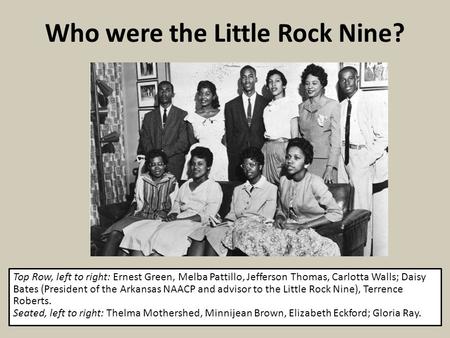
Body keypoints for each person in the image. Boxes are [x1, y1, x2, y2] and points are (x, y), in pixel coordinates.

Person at [223, 138, 342, 256]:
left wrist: (304, 225)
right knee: (249, 233)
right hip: (288, 228)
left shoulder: (315, 183)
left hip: (308, 229)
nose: (290, 161)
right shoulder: (284, 180)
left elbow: (336, 213)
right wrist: (280, 217)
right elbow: (281, 208)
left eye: (296, 158)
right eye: (288, 157)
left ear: (307, 163)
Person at [120, 147, 223, 256]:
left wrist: (182, 220)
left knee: (162, 240)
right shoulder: (186, 185)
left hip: (196, 224)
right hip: (178, 221)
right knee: (141, 234)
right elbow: (176, 204)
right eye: (193, 163)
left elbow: (208, 215)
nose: (195, 167)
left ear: (208, 167)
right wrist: (173, 214)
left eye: (200, 164)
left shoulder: (214, 187)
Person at [188, 147, 277, 256]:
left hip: (253, 230)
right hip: (233, 227)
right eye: (245, 165)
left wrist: (239, 223)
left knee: (215, 234)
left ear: (261, 166)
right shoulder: (238, 189)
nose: (248, 169)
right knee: (203, 232)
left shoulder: (271, 189)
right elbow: (232, 215)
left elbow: (266, 218)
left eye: (252, 165)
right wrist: (220, 221)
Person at [337, 66, 388, 256]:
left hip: (361, 159)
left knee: (361, 211)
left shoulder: (369, 101)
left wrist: (366, 159)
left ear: (357, 79)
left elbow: (384, 136)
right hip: (344, 158)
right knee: (343, 209)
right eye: (343, 79)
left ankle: (364, 257)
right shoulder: (341, 106)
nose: (347, 83)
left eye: (351, 78)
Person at [100, 149, 178, 256]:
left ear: (165, 165)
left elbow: (175, 205)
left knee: (128, 238)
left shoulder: (172, 181)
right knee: (114, 234)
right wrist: (127, 215)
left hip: (157, 220)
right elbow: (136, 200)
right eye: (153, 165)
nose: (157, 168)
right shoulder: (142, 179)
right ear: (149, 167)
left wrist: (169, 215)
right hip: (141, 215)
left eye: (160, 164)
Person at [292, 64, 340, 183]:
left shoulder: (332, 105)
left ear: (322, 84)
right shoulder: (301, 107)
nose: (310, 87)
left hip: (325, 163)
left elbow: (336, 141)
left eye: (314, 83)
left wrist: (330, 168)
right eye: (307, 83)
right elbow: (299, 138)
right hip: (305, 163)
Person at [137, 81, 191, 181]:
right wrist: (155, 157)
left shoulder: (182, 114)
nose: (164, 93)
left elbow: (183, 143)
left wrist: (163, 153)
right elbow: (145, 140)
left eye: (167, 90)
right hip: (153, 165)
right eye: (161, 90)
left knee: (174, 194)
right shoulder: (148, 117)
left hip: (175, 165)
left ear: (173, 94)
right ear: (158, 94)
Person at [225, 65, 269, 182]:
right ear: (240, 81)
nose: (247, 80)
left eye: (250, 76)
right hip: (238, 161)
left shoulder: (266, 103)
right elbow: (229, 136)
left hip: (260, 158)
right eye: (244, 77)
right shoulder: (230, 106)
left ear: (256, 79)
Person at [182, 81, 228, 181]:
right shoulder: (191, 117)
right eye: (201, 94)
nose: (203, 97)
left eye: (207, 94)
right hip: (198, 156)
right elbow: (192, 142)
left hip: (219, 156)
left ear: (214, 96)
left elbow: (226, 140)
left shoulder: (223, 115)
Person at [261, 69, 298, 185]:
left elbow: (294, 132)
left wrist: (292, 153)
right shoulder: (267, 108)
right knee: (268, 188)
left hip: (284, 148)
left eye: (277, 81)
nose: (273, 84)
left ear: (284, 85)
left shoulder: (291, 104)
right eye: (270, 82)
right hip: (267, 149)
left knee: (286, 186)